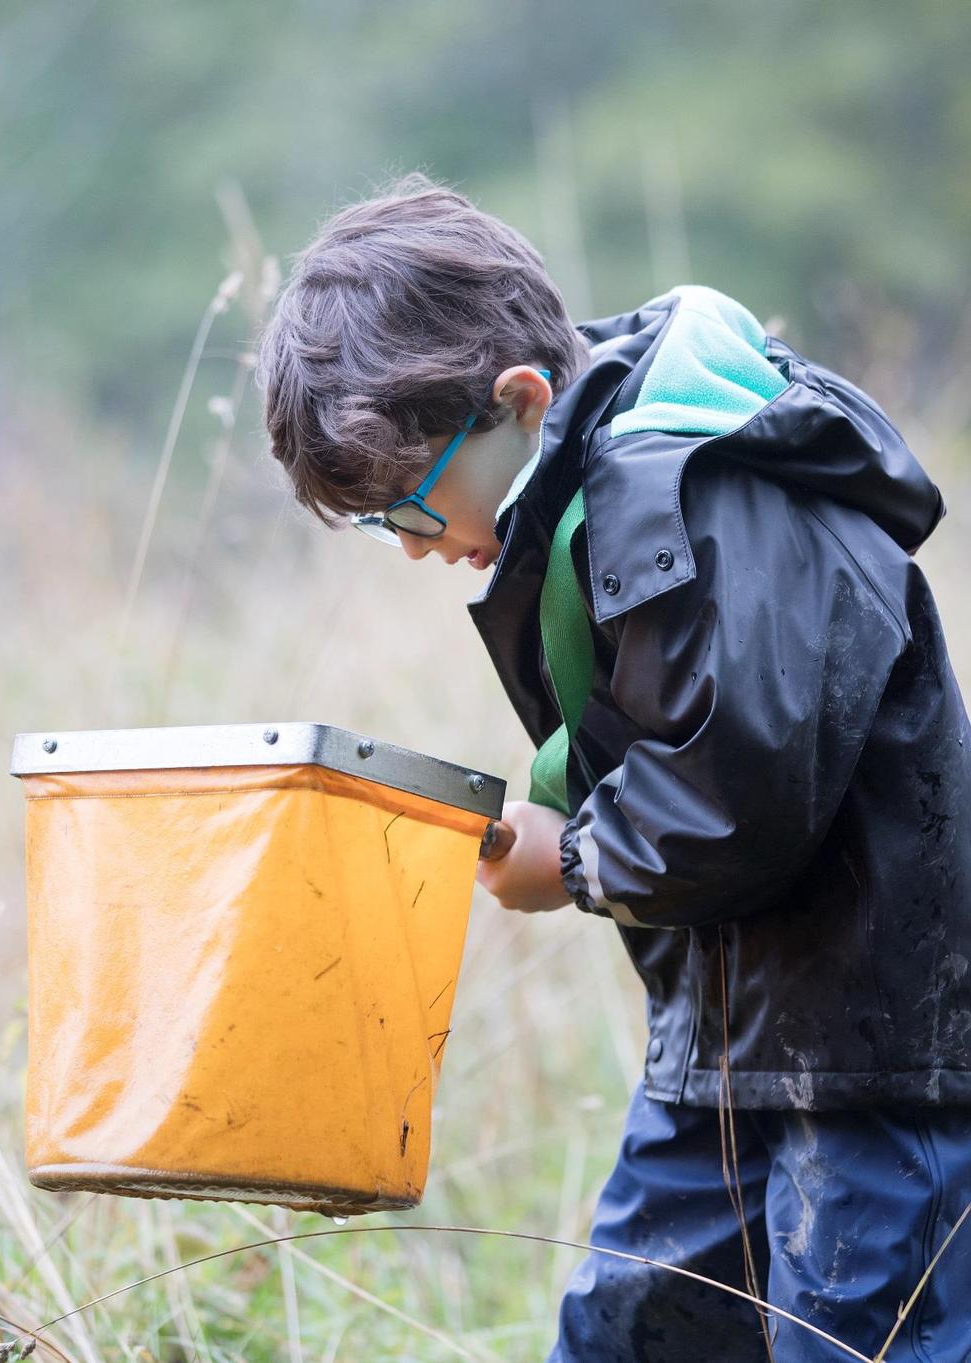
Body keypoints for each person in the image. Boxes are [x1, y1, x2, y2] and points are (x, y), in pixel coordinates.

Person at [257, 173, 971, 1362]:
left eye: (409, 510)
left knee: (851, 1333)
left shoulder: (705, 490)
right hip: (728, 1045)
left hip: (874, 1054)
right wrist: (537, 818)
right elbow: (645, 730)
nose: (412, 548)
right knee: (624, 1331)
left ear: (521, 399)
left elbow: (742, 787)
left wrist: (577, 859)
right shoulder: (585, 507)